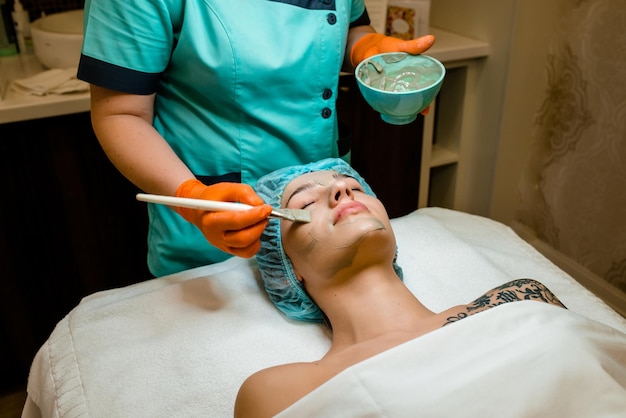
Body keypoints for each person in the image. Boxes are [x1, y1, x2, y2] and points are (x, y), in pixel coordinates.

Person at [76, 0, 435, 277]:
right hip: (215, 231)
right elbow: (120, 114)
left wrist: (364, 48)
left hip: (322, 225)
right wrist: (191, 197)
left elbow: (348, 26)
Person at [234, 158, 570, 417]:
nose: (343, 192)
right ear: (286, 267)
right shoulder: (278, 392)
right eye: (306, 204)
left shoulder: (520, 299)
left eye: (355, 187)